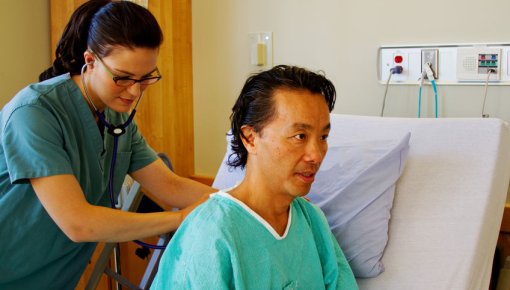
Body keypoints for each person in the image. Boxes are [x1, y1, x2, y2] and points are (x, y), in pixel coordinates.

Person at [0, 1, 214, 289]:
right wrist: (178, 219)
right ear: (90, 60)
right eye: (123, 78)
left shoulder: (116, 120)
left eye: (146, 78)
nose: (135, 91)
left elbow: (171, 187)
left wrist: (245, 201)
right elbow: (79, 223)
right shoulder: (34, 112)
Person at [151, 65, 358, 289]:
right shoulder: (211, 232)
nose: (316, 155)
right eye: (300, 136)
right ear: (250, 138)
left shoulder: (311, 220)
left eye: (323, 137)